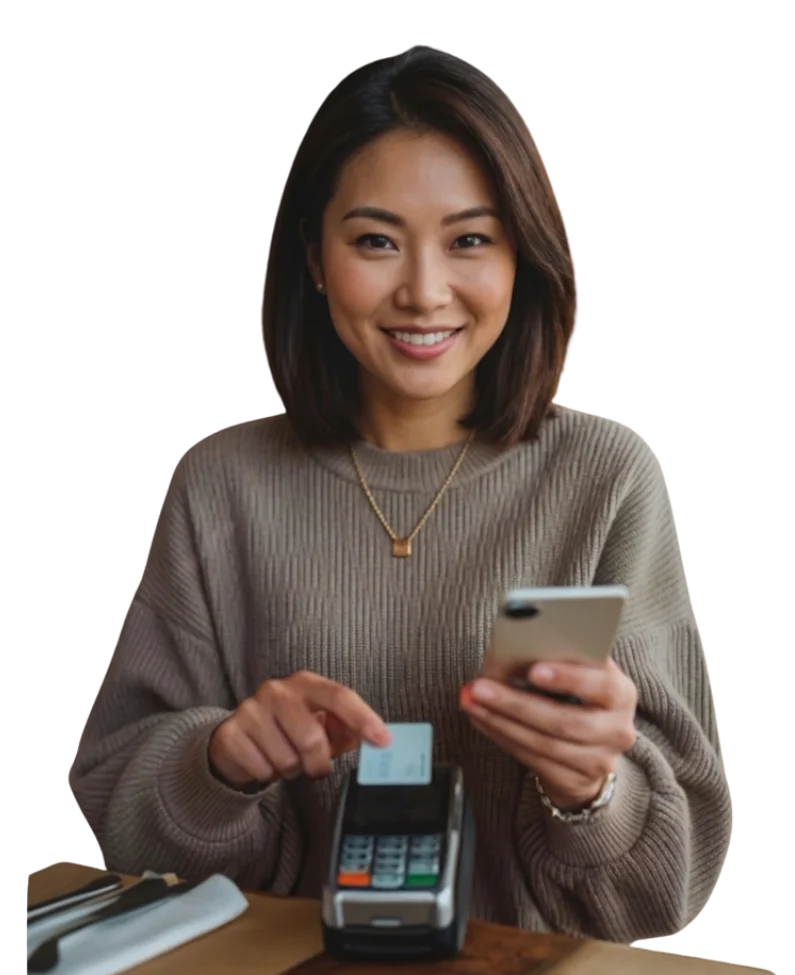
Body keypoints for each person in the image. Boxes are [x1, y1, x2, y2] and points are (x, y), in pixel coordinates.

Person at [68, 46, 732, 943]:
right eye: (375, 240)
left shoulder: (605, 475)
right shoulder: (219, 481)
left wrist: (593, 787)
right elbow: (120, 812)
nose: (424, 292)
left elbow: (668, 888)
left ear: (521, 255)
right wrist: (219, 764)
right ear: (313, 254)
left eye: (470, 239)